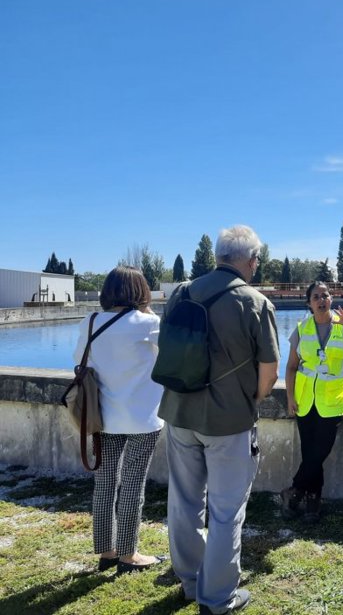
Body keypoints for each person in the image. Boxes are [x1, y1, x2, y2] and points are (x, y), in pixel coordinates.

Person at [159, 225, 279, 614]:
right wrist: (250, 401)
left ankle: (191, 582)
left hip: (178, 411)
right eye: (257, 259)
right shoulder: (255, 302)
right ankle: (217, 598)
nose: (257, 265)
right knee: (226, 512)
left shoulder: (181, 292)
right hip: (228, 421)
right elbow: (269, 372)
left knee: (184, 501)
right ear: (248, 260)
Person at [73, 266, 166, 574]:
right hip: (143, 418)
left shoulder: (90, 322)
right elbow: (169, 357)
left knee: (104, 484)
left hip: (104, 418)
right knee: (132, 486)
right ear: (141, 292)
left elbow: (79, 363)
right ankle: (129, 555)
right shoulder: (149, 323)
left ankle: (107, 551)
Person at [282, 281, 343, 522]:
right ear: (309, 303)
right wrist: (290, 397)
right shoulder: (301, 329)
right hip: (305, 399)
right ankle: (313, 501)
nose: (322, 300)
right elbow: (291, 367)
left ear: (332, 299)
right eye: (316, 296)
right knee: (309, 451)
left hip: (332, 400)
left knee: (320, 451)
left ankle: (294, 490)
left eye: (325, 295)